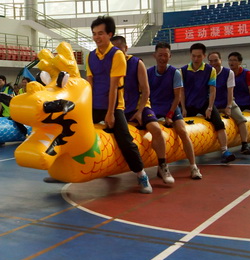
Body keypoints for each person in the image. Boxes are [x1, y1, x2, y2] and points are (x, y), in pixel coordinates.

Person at [86, 16, 152, 193]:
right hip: (94, 105)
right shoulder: (90, 56)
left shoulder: (117, 55)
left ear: (110, 34)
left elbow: (114, 87)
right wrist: (85, 108)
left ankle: (141, 174)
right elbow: (90, 84)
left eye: (100, 33)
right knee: (71, 130)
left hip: (114, 106)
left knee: (125, 141)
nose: (97, 37)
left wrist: (110, 113)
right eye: (94, 34)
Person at [111, 36, 174, 184]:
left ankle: (162, 166)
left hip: (139, 106)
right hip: (119, 108)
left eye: (119, 49)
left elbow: (146, 90)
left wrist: (139, 112)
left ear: (126, 48)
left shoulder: (136, 63)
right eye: (113, 50)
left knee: (156, 130)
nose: (116, 53)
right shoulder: (109, 65)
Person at [148, 42, 202, 179]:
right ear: (155, 55)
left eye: (165, 55)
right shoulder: (148, 73)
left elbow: (177, 97)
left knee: (183, 131)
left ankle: (193, 167)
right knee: (153, 131)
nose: (162, 58)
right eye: (160, 55)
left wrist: (170, 115)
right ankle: (161, 165)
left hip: (170, 107)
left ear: (170, 56)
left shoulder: (175, 73)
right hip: (153, 107)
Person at [180, 43, 235, 163]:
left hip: (204, 102)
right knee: (179, 125)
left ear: (204, 56)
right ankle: (181, 150)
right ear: (190, 55)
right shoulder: (183, 71)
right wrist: (183, 108)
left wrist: (210, 107)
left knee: (219, 124)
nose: (196, 59)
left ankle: (225, 150)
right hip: (188, 103)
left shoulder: (210, 70)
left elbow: (212, 90)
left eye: (199, 56)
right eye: (193, 56)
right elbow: (181, 91)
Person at [207, 52, 250, 155]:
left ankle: (245, 144)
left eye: (216, 60)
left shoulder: (228, 73)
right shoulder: (207, 73)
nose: (213, 63)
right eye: (211, 61)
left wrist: (229, 106)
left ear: (220, 60)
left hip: (227, 102)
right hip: (214, 104)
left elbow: (230, 91)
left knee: (241, 119)